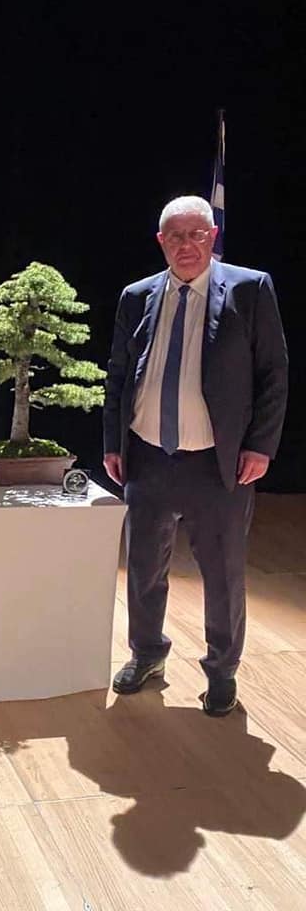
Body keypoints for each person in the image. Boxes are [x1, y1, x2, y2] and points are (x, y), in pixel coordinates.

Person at [103, 195, 288, 716]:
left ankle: (222, 670)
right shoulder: (136, 295)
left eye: (197, 234)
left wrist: (261, 445)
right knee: (144, 568)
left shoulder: (251, 289)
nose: (187, 245)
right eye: (176, 236)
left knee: (223, 574)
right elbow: (118, 374)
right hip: (147, 456)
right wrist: (114, 443)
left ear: (213, 237)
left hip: (218, 463)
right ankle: (147, 654)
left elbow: (274, 374)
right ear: (161, 241)